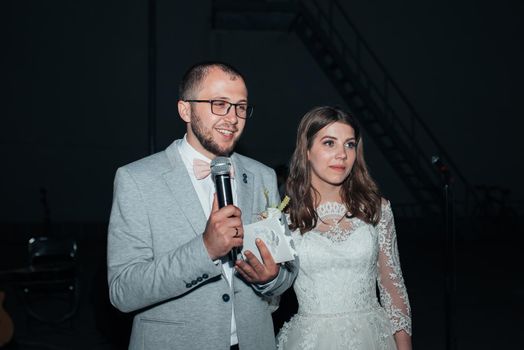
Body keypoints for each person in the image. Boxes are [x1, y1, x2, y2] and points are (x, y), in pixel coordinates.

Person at [107, 61, 298, 350]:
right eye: (219, 104)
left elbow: (288, 270)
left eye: (241, 107)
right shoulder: (136, 179)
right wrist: (205, 250)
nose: (233, 118)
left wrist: (270, 279)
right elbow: (123, 291)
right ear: (185, 110)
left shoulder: (262, 176)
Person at [276, 106, 412, 349]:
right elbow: (271, 292)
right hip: (311, 340)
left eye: (349, 144)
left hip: (373, 338)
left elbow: (393, 288)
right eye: (329, 143)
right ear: (306, 150)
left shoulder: (376, 208)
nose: (342, 154)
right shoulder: (284, 217)